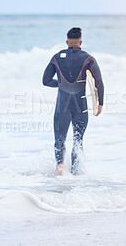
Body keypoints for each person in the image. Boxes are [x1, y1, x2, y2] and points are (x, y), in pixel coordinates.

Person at [42, 27, 104, 175]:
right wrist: (100, 103)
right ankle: (76, 175)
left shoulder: (57, 57)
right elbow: (99, 82)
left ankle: (60, 166)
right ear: (80, 42)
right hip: (80, 105)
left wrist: (61, 84)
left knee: (59, 139)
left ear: (66, 42)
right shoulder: (88, 58)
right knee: (78, 141)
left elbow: (45, 81)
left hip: (62, 105)